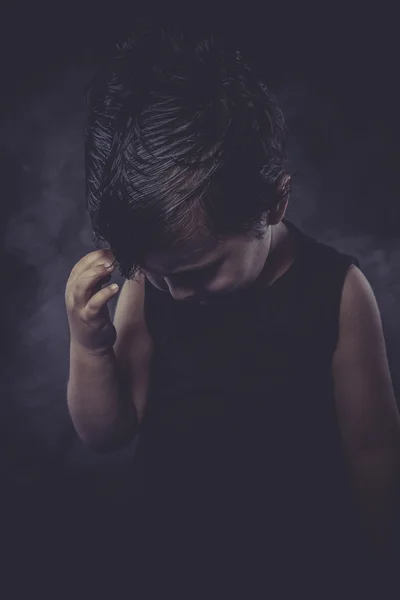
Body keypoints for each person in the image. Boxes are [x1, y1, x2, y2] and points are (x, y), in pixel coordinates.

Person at [65, 22, 400, 597]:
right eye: (156, 273)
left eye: (196, 272)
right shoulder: (152, 290)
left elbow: (374, 449)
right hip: (172, 556)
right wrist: (89, 346)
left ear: (274, 203)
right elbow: (107, 433)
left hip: (306, 558)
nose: (177, 291)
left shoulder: (338, 290)